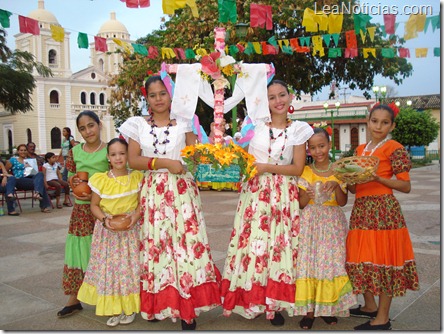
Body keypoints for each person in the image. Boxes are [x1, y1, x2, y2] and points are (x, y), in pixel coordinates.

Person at [118, 75, 221, 330]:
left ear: (172, 94)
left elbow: (194, 157)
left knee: (186, 246)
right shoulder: (136, 124)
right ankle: (159, 304)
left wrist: (217, 159)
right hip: (153, 191)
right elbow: (133, 160)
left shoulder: (185, 121)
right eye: (152, 95)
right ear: (147, 98)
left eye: (163, 93)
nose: (158, 99)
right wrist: (163, 163)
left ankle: (188, 308)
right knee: (158, 246)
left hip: (182, 191)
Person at [220, 79, 314, 325]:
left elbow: (297, 168)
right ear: (266, 101)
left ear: (290, 96)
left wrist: (265, 168)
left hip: (283, 196)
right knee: (255, 247)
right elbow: (240, 157)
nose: (278, 101)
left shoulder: (299, 130)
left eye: (282, 95)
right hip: (256, 195)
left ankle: (276, 304)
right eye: (272, 97)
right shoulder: (254, 127)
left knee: (279, 248)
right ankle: (254, 300)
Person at [345, 104, 419, 330]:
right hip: (361, 210)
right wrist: (347, 178)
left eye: (384, 122)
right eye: (374, 120)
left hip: (384, 211)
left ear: (391, 125)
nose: (378, 126)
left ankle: (383, 318)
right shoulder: (360, 150)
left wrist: (377, 178)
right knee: (361, 257)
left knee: (385, 260)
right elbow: (354, 190)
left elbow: (405, 186)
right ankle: (369, 306)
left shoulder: (394, 148)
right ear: (368, 121)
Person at [294, 127, 356, 330]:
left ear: (330, 145)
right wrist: (309, 194)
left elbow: (342, 202)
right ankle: (310, 312)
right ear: (307, 149)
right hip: (310, 223)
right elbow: (301, 204)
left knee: (331, 264)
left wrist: (336, 186)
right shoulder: (305, 171)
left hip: (332, 224)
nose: (318, 151)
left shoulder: (339, 171)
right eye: (312, 147)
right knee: (310, 264)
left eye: (321, 146)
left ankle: (328, 308)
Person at [77, 138, 143, 327]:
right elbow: (94, 205)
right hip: (108, 234)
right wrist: (105, 220)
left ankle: (129, 307)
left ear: (128, 155)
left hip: (130, 232)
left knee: (129, 270)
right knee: (111, 271)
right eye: (113, 154)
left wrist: (135, 218)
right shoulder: (101, 180)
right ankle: (114, 307)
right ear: (108, 157)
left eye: (122, 153)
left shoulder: (137, 177)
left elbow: (141, 204)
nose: (118, 158)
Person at [57, 110, 108, 318]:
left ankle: (108, 297)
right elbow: (69, 176)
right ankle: (75, 298)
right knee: (79, 252)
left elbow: (122, 174)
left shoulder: (110, 150)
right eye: (82, 128)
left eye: (91, 125)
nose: (88, 131)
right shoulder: (74, 152)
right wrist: (74, 183)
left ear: (99, 125)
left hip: (104, 209)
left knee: (105, 252)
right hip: (80, 210)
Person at [5, 144, 52, 213]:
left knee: (40, 174)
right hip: (18, 180)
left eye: (25, 150)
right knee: (40, 184)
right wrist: (8, 176)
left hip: (29, 180)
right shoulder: (13, 160)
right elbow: (5, 171)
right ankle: (43, 205)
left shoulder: (30, 161)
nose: (23, 152)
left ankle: (37, 193)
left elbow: (34, 173)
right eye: (21, 150)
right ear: (18, 151)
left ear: (27, 151)